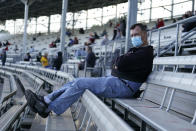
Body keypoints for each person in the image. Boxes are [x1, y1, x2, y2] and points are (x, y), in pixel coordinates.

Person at [25, 23, 154, 118]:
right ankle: (46, 100)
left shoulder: (145, 52)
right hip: (118, 81)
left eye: (136, 35)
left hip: (124, 86)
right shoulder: (136, 51)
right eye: (131, 35)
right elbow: (115, 63)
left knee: (80, 84)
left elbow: (119, 63)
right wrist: (118, 65)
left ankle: (49, 109)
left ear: (145, 34)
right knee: (77, 80)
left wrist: (118, 65)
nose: (133, 37)